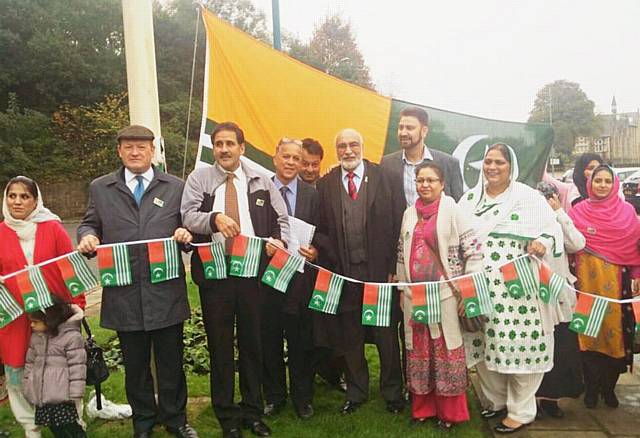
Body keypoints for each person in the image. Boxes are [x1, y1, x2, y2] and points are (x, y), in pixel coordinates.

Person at [77, 125, 197, 438]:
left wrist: (188, 235)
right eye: (128, 146)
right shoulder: (101, 188)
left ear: (153, 151)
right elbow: (90, 223)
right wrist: (88, 236)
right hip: (124, 292)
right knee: (136, 366)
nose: (134, 152)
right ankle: (143, 423)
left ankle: (176, 420)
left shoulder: (174, 186)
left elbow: (189, 227)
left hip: (165, 291)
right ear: (119, 151)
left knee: (171, 363)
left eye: (141, 147)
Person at [181, 122, 289, 438]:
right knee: (220, 347)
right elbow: (186, 216)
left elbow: (280, 220)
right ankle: (227, 417)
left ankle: (253, 412)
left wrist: (277, 241)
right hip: (216, 275)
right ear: (213, 149)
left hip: (252, 274)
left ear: (242, 148)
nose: (224, 149)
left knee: (253, 344)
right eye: (219, 144)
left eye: (230, 143)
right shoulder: (199, 178)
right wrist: (213, 219)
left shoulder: (261, 180)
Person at [459, 143, 562, 434]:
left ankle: (521, 410)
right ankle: (496, 401)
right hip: (478, 284)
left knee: (519, 345)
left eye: (499, 162)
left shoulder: (528, 198)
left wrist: (542, 242)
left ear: (511, 166)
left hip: (519, 290)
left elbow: (552, 229)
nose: (492, 167)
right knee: (482, 344)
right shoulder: (468, 200)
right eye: (488, 162)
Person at [315, 128, 404, 415]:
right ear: (336, 150)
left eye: (354, 145)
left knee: (385, 335)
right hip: (345, 275)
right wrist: (334, 259)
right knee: (350, 336)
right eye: (342, 146)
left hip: (379, 273)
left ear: (363, 146)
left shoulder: (385, 177)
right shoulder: (325, 183)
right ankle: (356, 392)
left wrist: (392, 267)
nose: (348, 151)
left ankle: (392, 392)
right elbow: (321, 229)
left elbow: (398, 225)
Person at [396, 162, 483, 429]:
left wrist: (466, 293)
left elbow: (475, 253)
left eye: (431, 180)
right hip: (416, 297)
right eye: (420, 180)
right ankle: (423, 409)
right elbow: (401, 254)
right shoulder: (409, 213)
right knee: (419, 352)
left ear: (442, 183)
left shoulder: (454, 212)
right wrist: (402, 289)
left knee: (446, 352)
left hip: (445, 294)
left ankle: (451, 413)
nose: (425, 185)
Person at [0, 176, 86, 438]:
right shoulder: (1, 233)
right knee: (18, 371)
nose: (17, 201)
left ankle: (74, 423)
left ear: (35, 201)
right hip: (16, 318)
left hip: (54, 316)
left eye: (24, 196)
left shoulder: (52, 229)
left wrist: (77, 307)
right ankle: (31, 427)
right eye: (12, 196)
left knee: (60, 370)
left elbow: (71, 270)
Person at [568, 165, 640, 409]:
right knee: (587, 335)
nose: (602, 185)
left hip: (617, 290)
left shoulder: (628, 213)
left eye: (607, 181)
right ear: (590, 183)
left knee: (616, 337)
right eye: (598, 180)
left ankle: (609, 388)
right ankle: (591, 389)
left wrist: (637, 274)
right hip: (586, 285)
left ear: (614, 184)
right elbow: (568, 244)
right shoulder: (577, 212)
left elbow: (635, 249)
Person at [261, 137, 320, 419]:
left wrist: (316, 248)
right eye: (286, 156)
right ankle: (274, 396)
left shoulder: (312, 194)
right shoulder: (259, 189)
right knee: (269, 337)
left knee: (301, 341)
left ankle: (302, 397)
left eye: (296, 158)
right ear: (275, 157)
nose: (291, 163)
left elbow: (324, 230)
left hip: (301, 279)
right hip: (268, 277)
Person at [535, 189, 586, 417]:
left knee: (562, 347)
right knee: (537, 345)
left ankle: (551, 399)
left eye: (548, 198)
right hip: (536, 297)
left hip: (561, 297)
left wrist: (559, 212)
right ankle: (530, 398)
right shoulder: (527, 222)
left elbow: (577, 243)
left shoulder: (559, 220)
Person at [22, 299, 86, 438]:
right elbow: (30, 363)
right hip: (42, 395)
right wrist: (28, 385)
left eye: (35, 322)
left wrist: (75, 393)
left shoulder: (71, 337)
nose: (31, 325)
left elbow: (77, 368)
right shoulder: (36, 338)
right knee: (55, 429)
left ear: (49, 320)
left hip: (63, 396)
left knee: (71, 429)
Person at [381, 106, 464, 209]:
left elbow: (459, 206)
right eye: (401, 127)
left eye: (410, 128)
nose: (403, 133)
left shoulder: (449, 164)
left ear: (424, 131)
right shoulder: (386, 164)